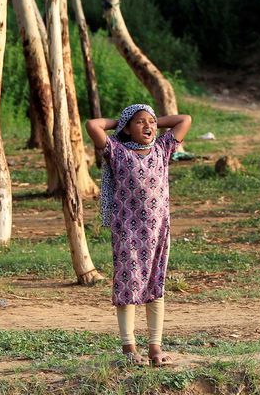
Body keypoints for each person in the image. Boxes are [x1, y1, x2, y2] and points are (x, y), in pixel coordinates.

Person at [86, 105, 192, 367]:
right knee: (128, 286)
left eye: (152, 122)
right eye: (140, 123)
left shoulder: (162, 149)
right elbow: (93, 125)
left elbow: (184, 119)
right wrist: (120, 121)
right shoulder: (117, 151)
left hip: (157, 231)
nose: (148, 127)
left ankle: (155, 348)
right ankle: (129, 348)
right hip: (128, 232)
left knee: (156, 286)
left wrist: (151, 117)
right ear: (127, 128)